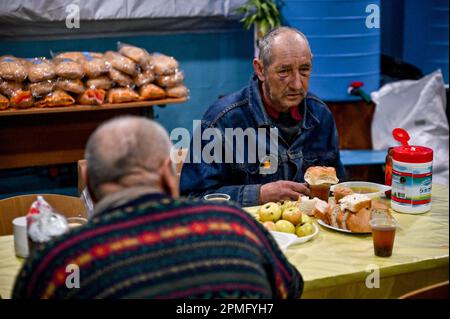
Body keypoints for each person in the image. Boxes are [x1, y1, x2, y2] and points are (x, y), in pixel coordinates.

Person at [12, 116, 303, 299]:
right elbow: (291, 287)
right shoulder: (238, 227)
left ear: (87, 180)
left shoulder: (56, 265)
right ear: (167, 173)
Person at [180, 27, 345, 207]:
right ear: (260, 70)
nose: (297, 84)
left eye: (305, 70)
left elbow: (338, 187)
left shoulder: (320, 116)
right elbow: (192, 199)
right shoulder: (221, 121)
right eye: (284, 71)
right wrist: (258, 195)